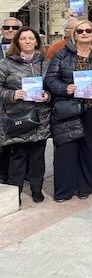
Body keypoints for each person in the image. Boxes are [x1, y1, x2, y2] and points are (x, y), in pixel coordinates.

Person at [45, 19, 92, 202]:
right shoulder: (62, 55)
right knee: (66, 150)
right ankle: (64, 190)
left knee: (90, 150)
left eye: (88, 31)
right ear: (74, 35)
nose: (84, 34)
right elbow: (50, 79)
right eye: (80, 31)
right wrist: (65, 88)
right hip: (68, 109)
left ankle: (85, 187)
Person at [0, 27, 51, 204]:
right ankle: (16, 194)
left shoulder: (46, 62)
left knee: (38, 157)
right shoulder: (6, 64)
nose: (28, 41)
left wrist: (47, 96)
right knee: (18, 158)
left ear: (37, 41)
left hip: (40, 117)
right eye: (24, 39)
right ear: (17, 42)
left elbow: (52, 86)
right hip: (17, 117)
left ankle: (37, 190)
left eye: (31, 38)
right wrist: (12, 95)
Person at [0, 17, 23, 182]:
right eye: (6, 27)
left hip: (19, 105)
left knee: (15, 142)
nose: (10, 29)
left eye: (14, 27)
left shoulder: (26, 51)